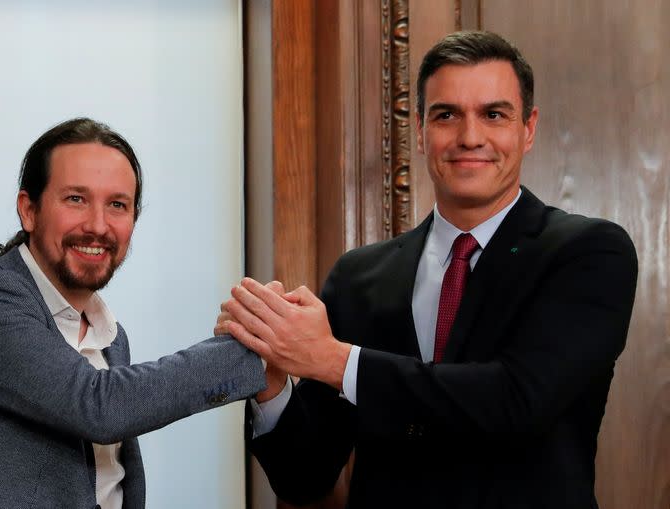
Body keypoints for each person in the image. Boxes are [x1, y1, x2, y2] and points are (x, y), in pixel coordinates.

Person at [221, 31, 639, 508]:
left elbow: (517, 401)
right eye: (446, 115)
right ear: (419, 130)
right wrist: (274, 379)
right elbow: (306, 478)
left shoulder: (589, 253)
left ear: (528, 128)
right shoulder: (359, 277)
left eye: (494, 114)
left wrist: (333, 360)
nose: (469, 137)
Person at [0, 118, 266, 509]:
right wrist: (256, 347)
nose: (98, 226)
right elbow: (99, 407)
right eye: (76, 199)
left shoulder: (111, 337)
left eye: (117, 205)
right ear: (28, 210)